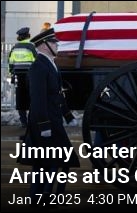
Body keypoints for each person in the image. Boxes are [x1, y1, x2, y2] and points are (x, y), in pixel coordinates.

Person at [17, 28, 80, 207]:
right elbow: (38, 100)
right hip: (44, 123)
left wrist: (67, 115)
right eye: (53, 43)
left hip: (53, 121)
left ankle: (45, 196)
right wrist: (44, 125)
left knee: (50, 162)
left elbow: (57, 94)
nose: (57, 45)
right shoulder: (38, 67)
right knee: (53, 162)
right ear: (44, 45)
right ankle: (43, 197)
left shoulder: (50, 65)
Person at [8, 27, 38, 128]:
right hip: (30, 76)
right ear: (28, 35)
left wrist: (12, 73)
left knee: (20, 98)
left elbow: (11, 62)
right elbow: (37, 61)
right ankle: (31, 121)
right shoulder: (31, 46)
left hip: (18, 76)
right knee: (32, 97)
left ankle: (23, 122)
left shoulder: (15, 47)